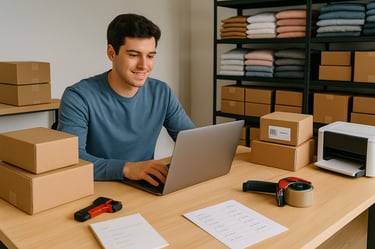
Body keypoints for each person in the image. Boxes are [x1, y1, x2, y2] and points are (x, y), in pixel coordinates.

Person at [57, 13, 195, 186]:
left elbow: (191, 141)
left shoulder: (162, 92)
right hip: (96, 188)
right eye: (133, 55)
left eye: (150, 56)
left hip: (143, 188)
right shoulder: (78, 97)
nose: (144, 65)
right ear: (111, 53)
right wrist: (127, 168)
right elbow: (71, 159)